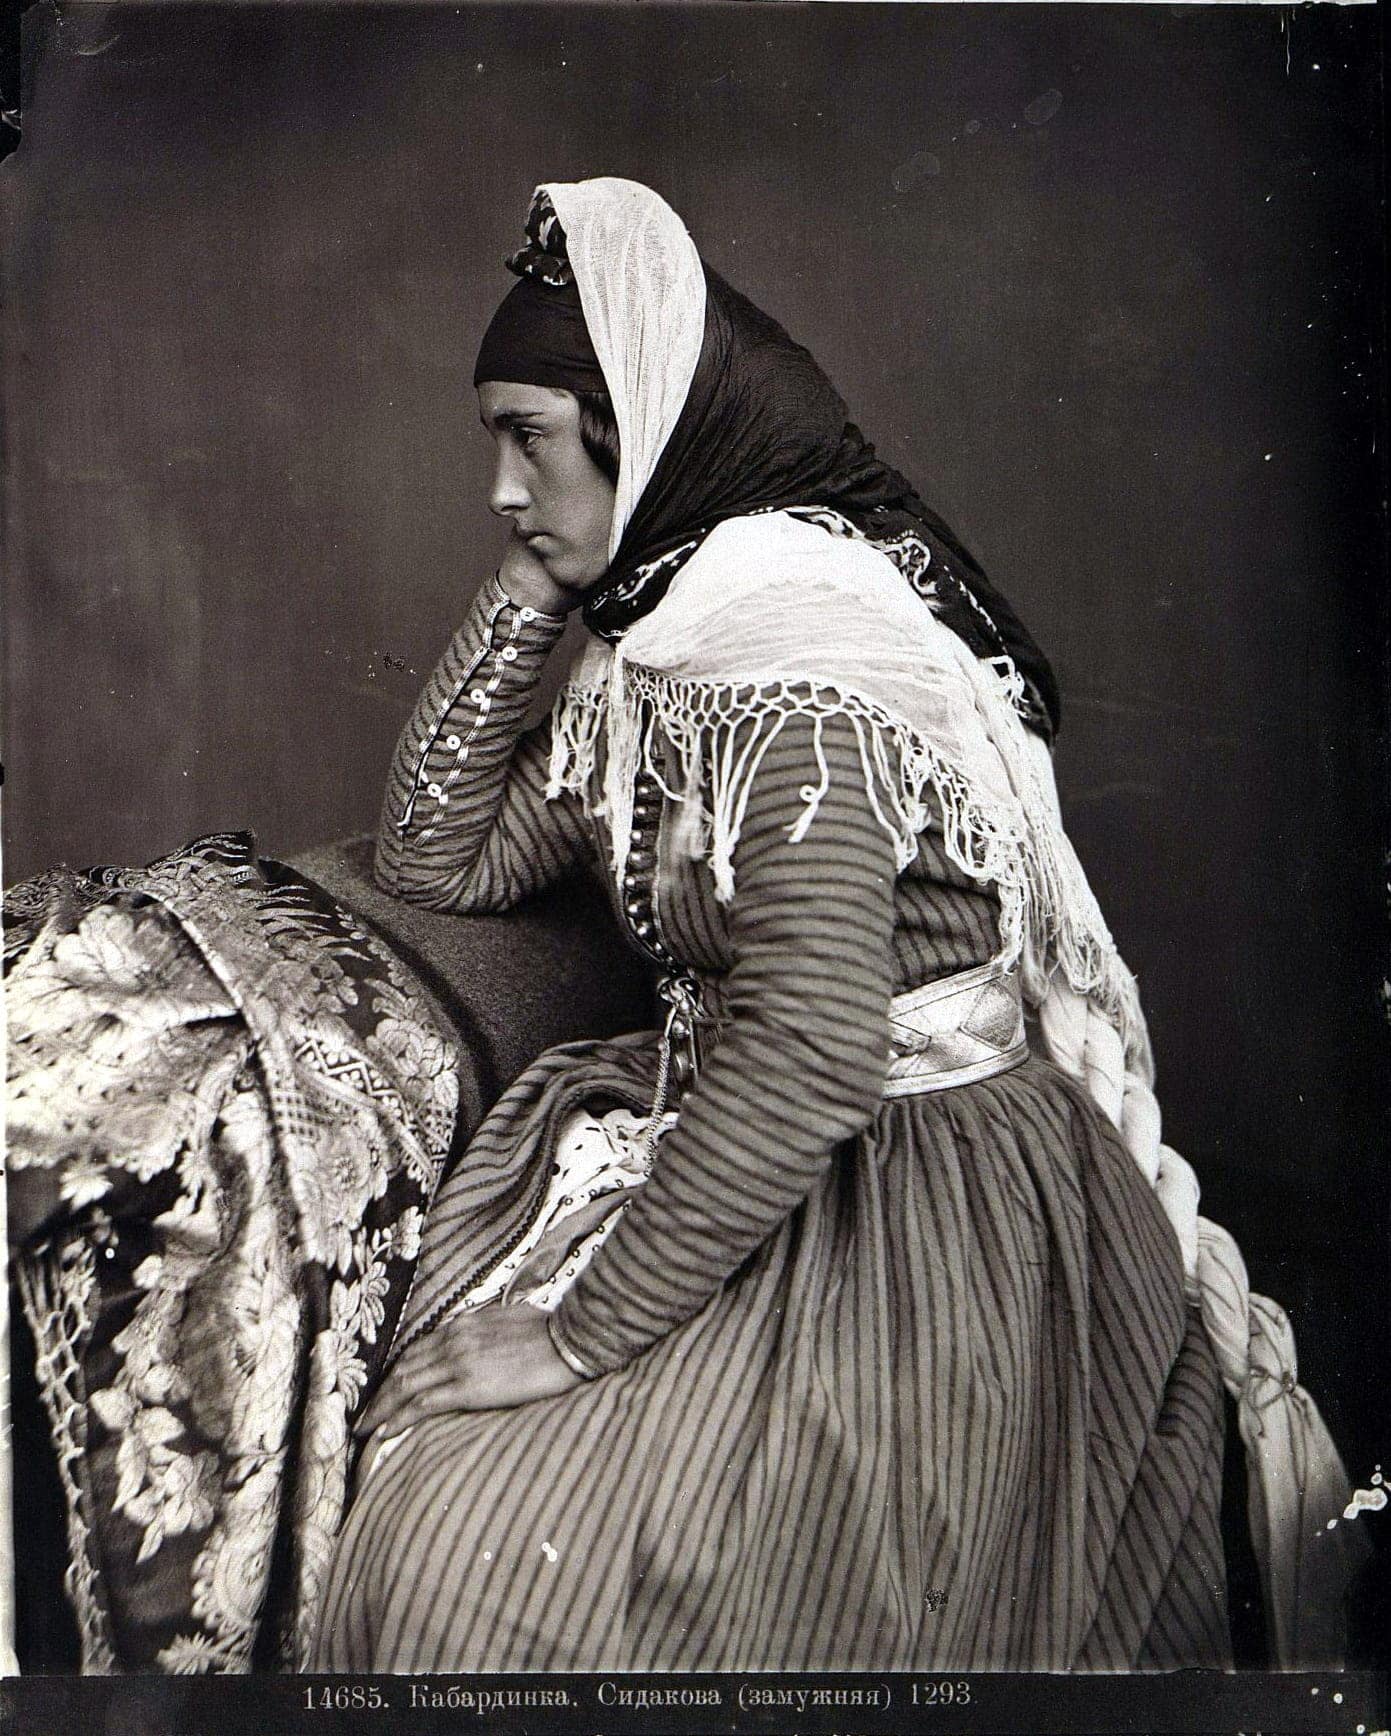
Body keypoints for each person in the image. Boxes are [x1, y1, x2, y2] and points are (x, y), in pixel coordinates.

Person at [310, 177, 1356, 1673]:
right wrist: (532, 586)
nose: (498, 483)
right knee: (417, 1476)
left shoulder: (800, 659)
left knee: (482, 1579)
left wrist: (574, 1337)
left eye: (528, 439)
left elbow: (809, 1054)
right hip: (738, 1144)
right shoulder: (661, 641)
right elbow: (438, 856)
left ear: (639, 432)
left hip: (916, 1199)